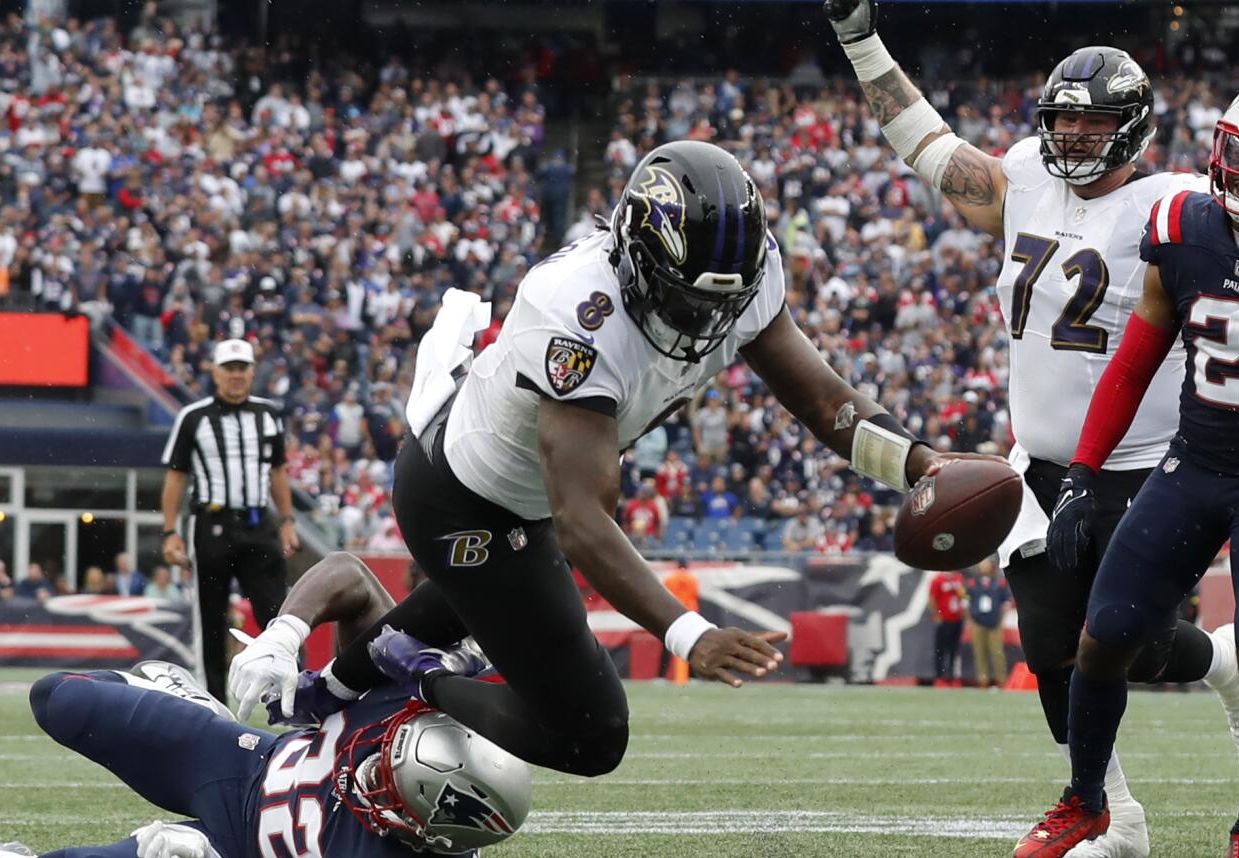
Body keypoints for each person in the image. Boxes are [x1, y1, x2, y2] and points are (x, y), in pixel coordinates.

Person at [229, 140, 994, 778]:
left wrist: (920, 462)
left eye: (719, 302)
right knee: (591, 736)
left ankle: (326, 691)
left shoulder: (741, 277)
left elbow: (825, 401)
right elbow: (582, 519)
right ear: (635, 258)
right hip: (467, 504)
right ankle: (410, 684)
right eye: (687, 297)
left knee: (482, 614)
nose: (704, 320)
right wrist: (689, 634)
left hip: (524, 498)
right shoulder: (577, 313)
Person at [826, 0, 1239, 858]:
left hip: (1150, 463)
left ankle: (1225, 662)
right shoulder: (1024, 179)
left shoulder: (1178, 207)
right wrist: (860, 41)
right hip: (1042, 462)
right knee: (1051, 644)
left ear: (1132, 128)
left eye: (1093, 122)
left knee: (1132, 643)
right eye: (1063, 119)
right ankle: (1113, 813)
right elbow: (928, 147)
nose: (1075, 137)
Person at [0, 556, 531, 858]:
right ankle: (189, 701)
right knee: (56, 697)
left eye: (383, 790)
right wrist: (285, 633)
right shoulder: (412, 693)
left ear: (424, 834)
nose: (364, 775)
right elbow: (350, 575)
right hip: (246, 764)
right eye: (382, 762)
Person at [1013, 84, 1239, 858]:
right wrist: (1083, 470)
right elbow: (1135, 358)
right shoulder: (1185, 226)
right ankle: (1088, 802)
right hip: (1196, 461)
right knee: (1104, 634)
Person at [161, 337, 300, 703]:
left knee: (277, 616)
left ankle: (290, 699)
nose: (236, 376)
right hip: (211, 526)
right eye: (229, 369)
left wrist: (287, 520)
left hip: (259, 524)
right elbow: (175, 476)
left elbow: (278, 471)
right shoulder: (193, 417)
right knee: (210, 618)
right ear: (215, 372)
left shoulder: (268, 414)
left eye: (242, 369)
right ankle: (213, 700)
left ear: (252, 372)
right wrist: (169, 531)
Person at [966, 558, 1012, 689]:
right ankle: (983, 680)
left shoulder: (1000, 583)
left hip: (994, 622)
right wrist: (971, 620)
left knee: (997, 653)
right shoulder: (972, 584)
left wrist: (1000, 619)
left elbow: (1006, 603)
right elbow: (966, 603)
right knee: (980, 653)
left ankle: (1001, 680)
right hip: (978, 622)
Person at [660, 559, 701, 680]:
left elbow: (665, 596)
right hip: (689, 614)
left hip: (673, 614)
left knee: (667, 646)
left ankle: (662, 675)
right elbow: (695, 596)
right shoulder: (692, 579)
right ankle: (692, 676)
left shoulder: (670, 578)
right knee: (690, 645)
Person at [928, 569, 967, 687]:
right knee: (940, 649)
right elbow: (932, 598)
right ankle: (940, 677)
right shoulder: (938, 579)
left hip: (957, 619)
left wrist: (964, 610)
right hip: (944, 619)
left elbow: (965, 597)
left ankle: (952, 677)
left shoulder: (959, 578)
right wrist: (936, 615)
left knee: (954, 650)